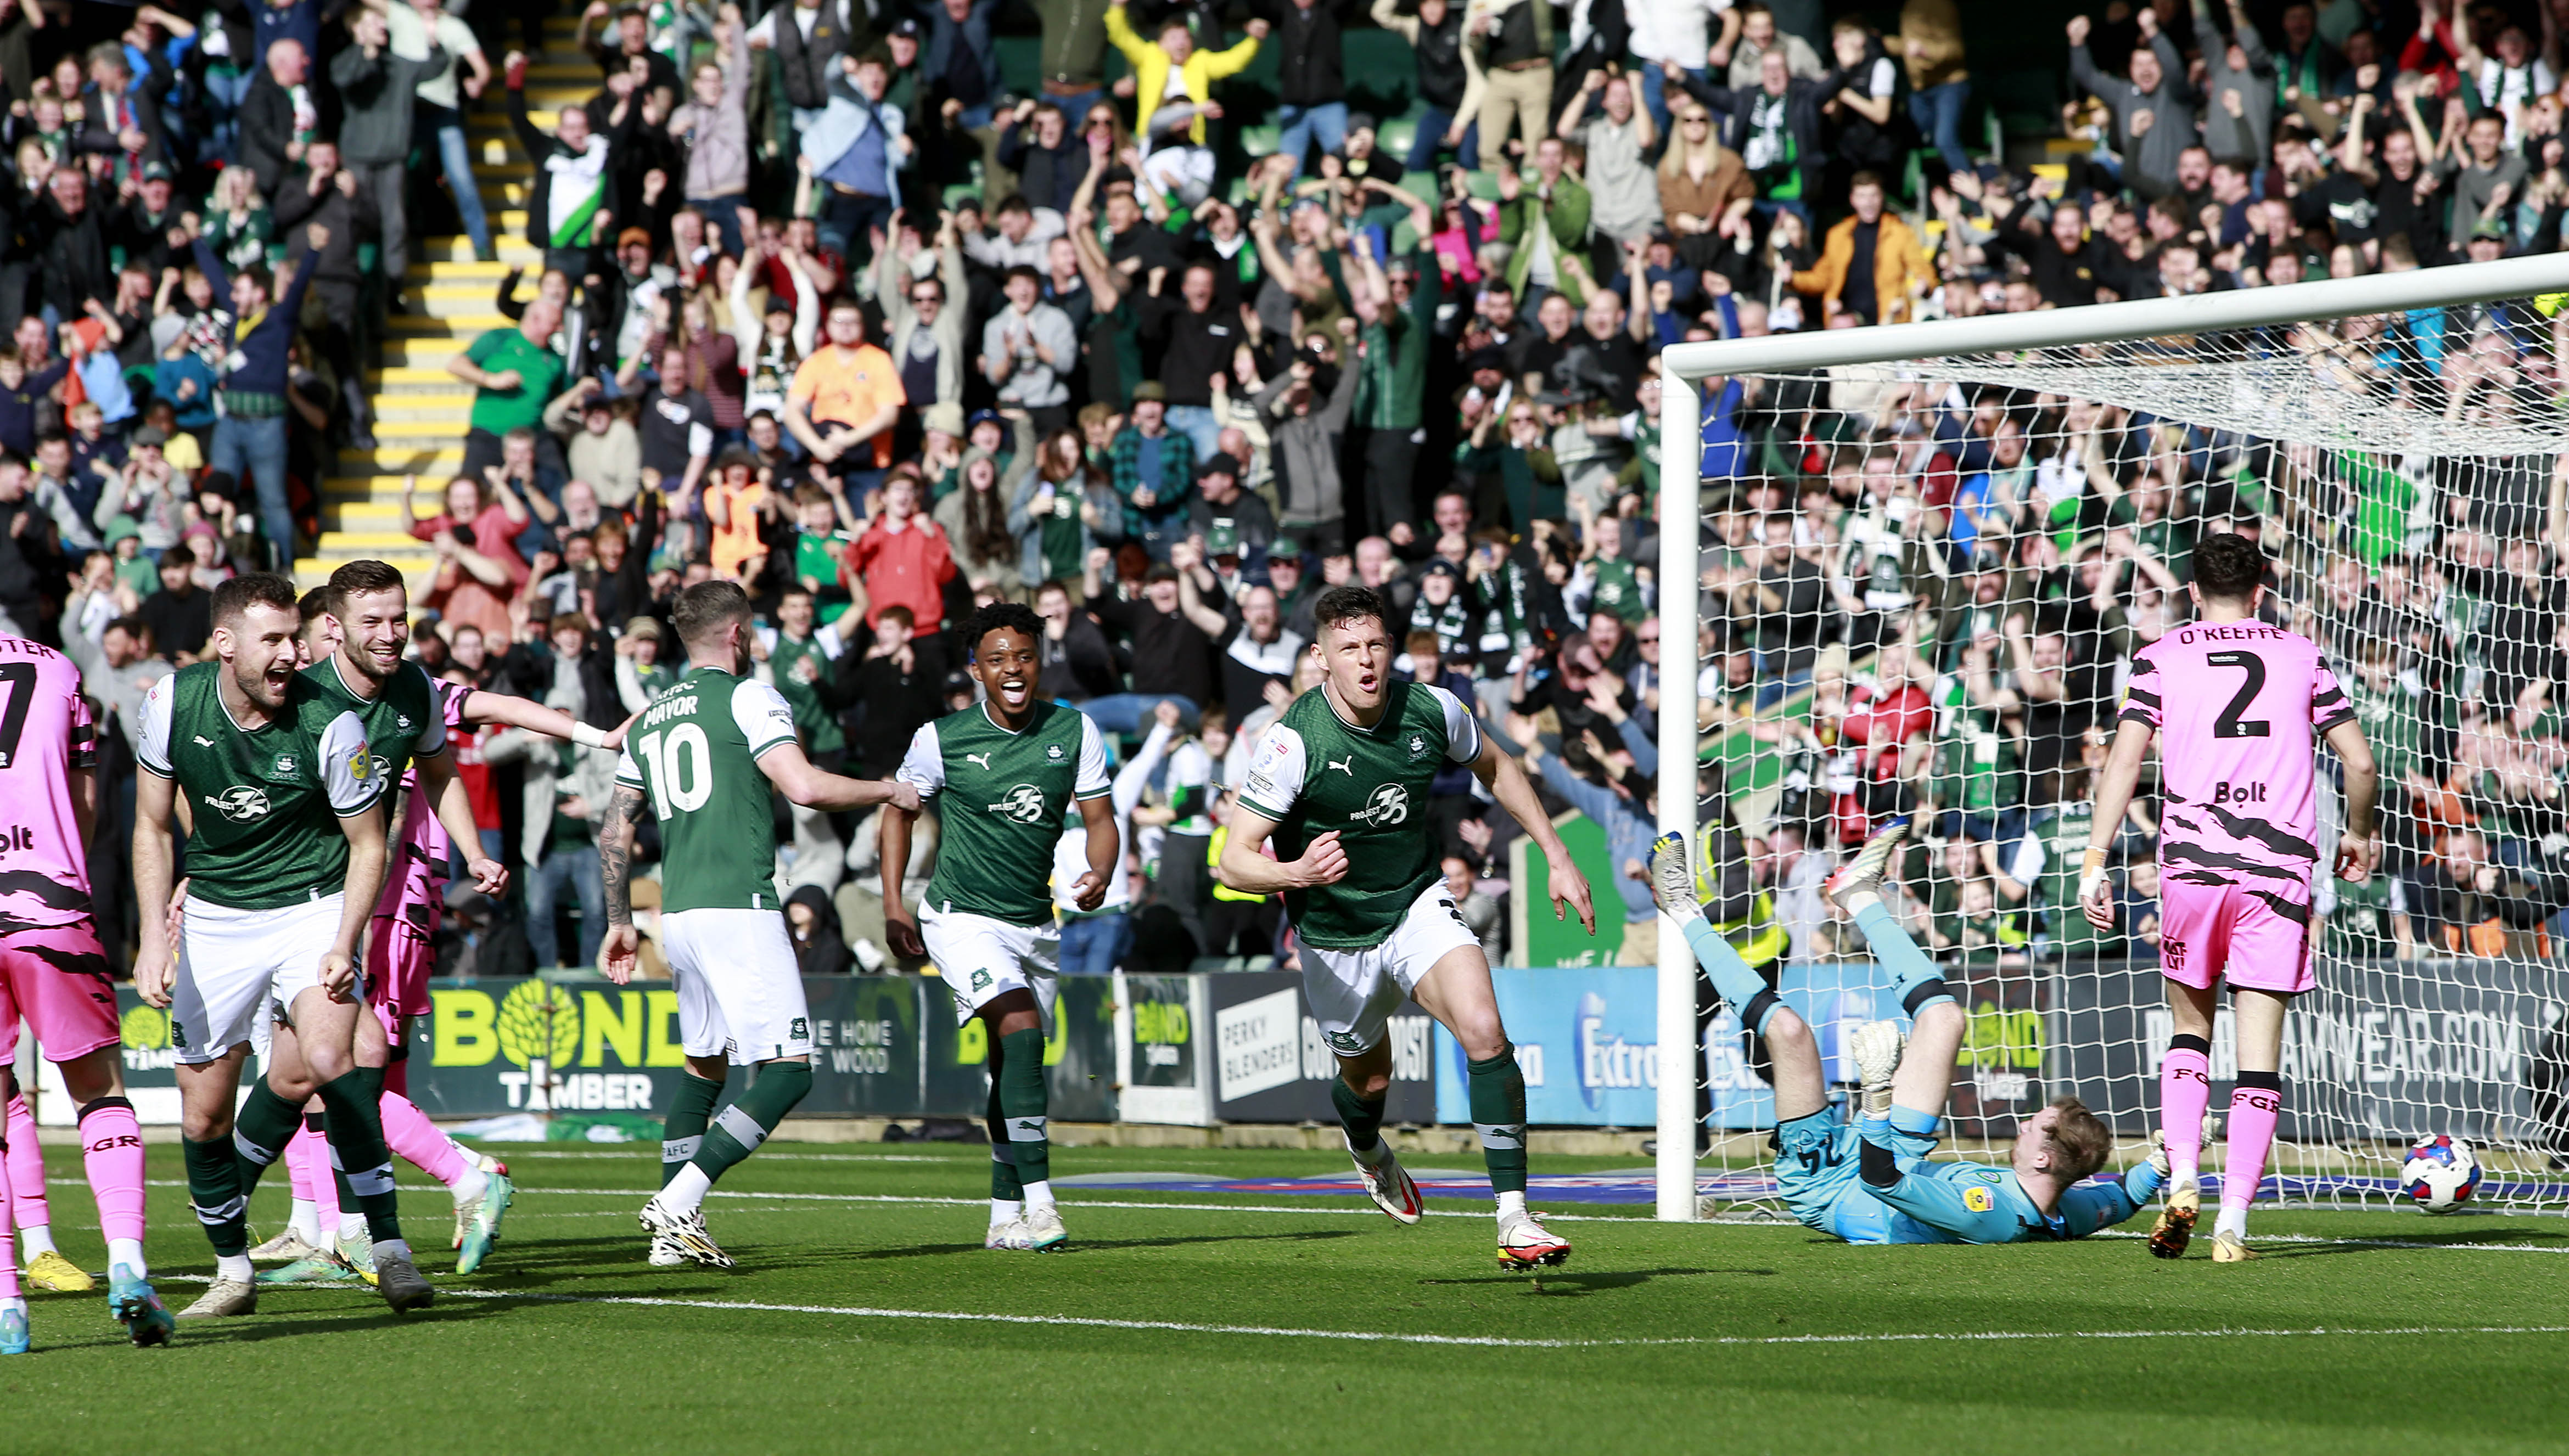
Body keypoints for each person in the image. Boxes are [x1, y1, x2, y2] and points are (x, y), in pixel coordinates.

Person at [1217, 585, 1596, 1266]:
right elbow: (1234, 862)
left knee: (1484, 1029)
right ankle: (1367, 1149)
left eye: (1375, 645)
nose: (1365, 661)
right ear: (1320, 658)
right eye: (1348, 649)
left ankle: (1515, 1217)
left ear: (1392, 648)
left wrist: (1557, 854)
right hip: (1335, 937)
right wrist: (1297, 872)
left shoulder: (1433, 708)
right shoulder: (1292, 741)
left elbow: (1498, 765)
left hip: (1417, 902)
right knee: (1368, 1082)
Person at [130, 573, 430, 1319]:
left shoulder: (334, 722)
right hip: (219, 919)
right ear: (225, 645)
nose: (293, 654)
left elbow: (370, 844)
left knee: (332, 1057)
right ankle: (233, 1272)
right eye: (274, 640)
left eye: (297, 637)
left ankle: (386, 1247)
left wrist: (343, 940)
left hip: (311, 906)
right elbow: (152, 826)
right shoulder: (171, 702)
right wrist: (148, 939)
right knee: (201, 1115)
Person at [599, 580, 919, 1269]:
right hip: (738, 907)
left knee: (703, 1069)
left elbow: (615, 829)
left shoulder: (651, 716)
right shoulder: (750, 695)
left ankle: (668, 1241)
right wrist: (887, 788)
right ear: (739, 635)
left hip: (679, 914)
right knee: (790, 1071)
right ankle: (679, 1202)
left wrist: (619, 920)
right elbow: (804, 787)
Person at [1651, 819, 2168, 1244]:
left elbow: (1882, 1182)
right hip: (1896, 1148)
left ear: (2042, 1156)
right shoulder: (2064, 1209)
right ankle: (1860, 896)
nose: (2027, 1120)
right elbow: (2119, 1200)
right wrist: (2162, 1163)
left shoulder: (1988, 1214)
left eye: (2038, 1122)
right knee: (1946, 1019)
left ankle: (1681, 908)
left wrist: (1876, 1100)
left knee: (1788, 1032)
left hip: (1830, 1184)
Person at [2081, 531, 2377, 1261]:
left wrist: (2094, 860)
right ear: (2262, 591)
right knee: (2259, 1061)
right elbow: (2362, 763)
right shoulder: (2301, 655)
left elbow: (2123, 761)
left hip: (2191, 870)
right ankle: (2234, 1223)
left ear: (2190, 593)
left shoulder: (2158, 657)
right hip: (2276, 877)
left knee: (2188, 1034)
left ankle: (2182, 1174)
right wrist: (2362, 835)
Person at [883, 601, 1118, 1252]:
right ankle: (1043, 1206)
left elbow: (1101, 819)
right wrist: (895, 903)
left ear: (1038, 662)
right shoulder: (942, 738)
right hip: (961, 917)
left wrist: (1099, 873)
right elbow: (899, 813)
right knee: (1020, 1030)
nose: (1011, 668)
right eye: (996, 659)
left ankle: (1001, 1216)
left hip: (1036, 925)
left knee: (1012, 1060)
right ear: (976, 670)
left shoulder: (1075, 732)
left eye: (1023, 656)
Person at [0, 631, 170, 1350]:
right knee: (100, 1091)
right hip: (51, 905)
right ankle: (128, 1264)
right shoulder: (60, 667)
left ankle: (7, 1301)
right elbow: (87, 800)